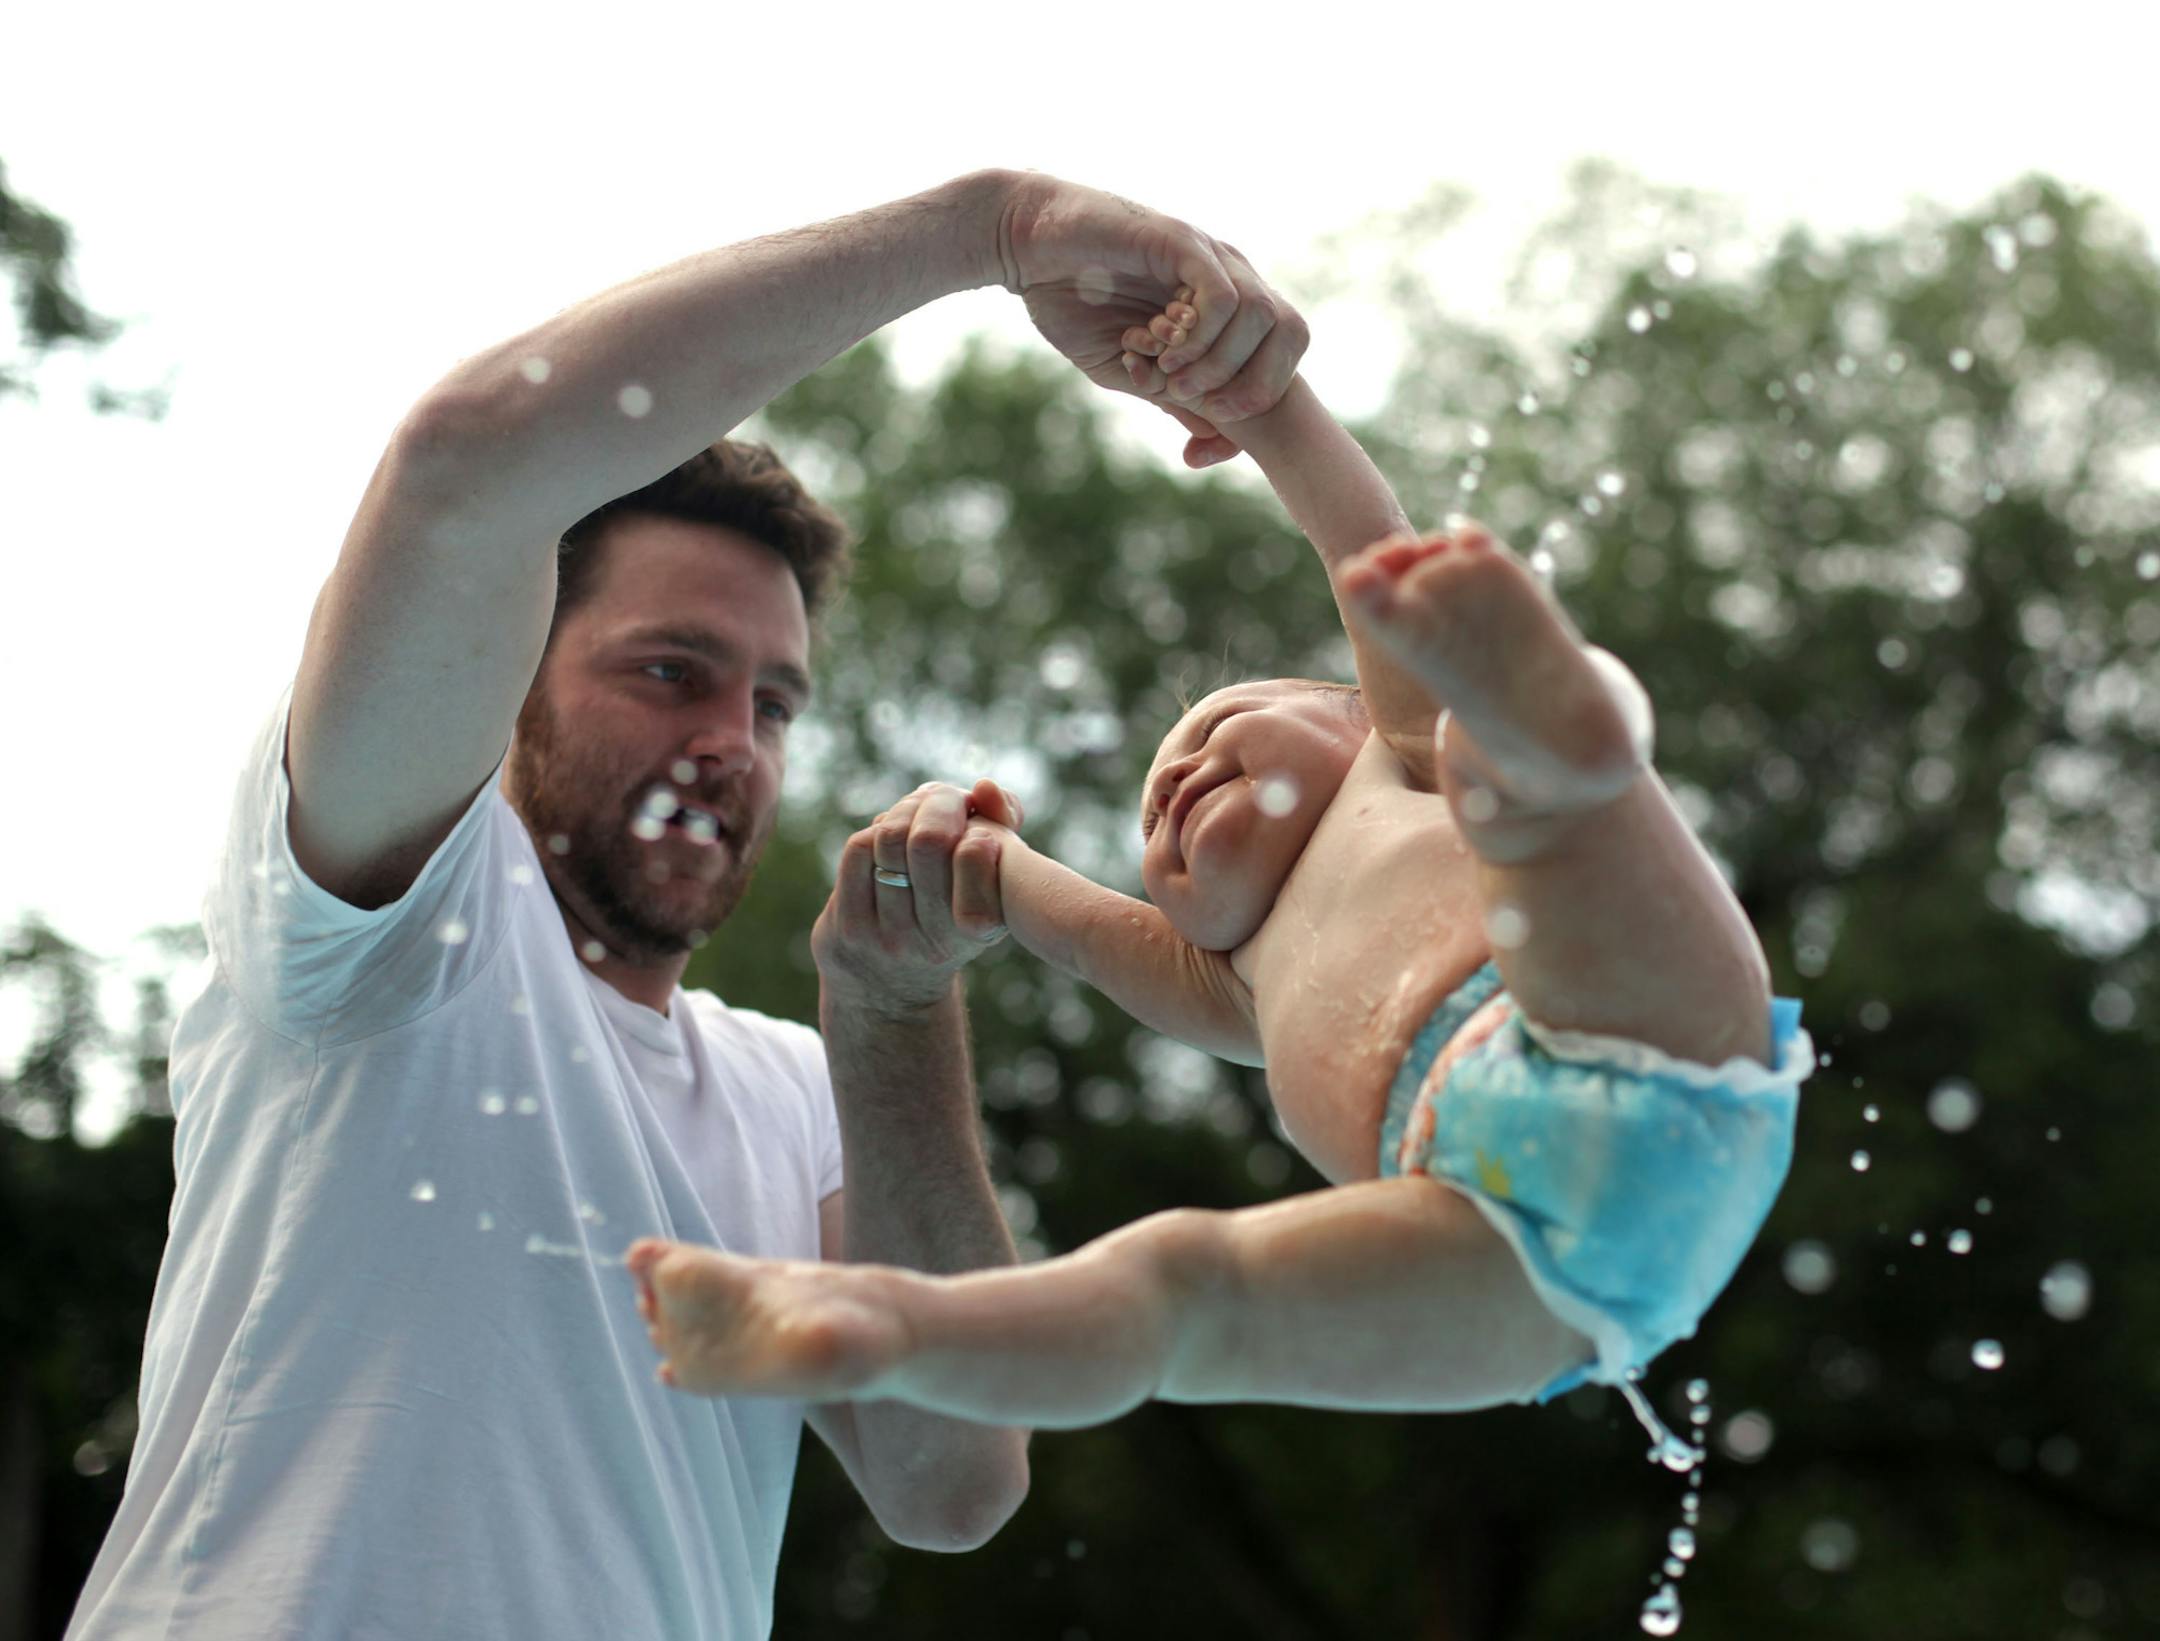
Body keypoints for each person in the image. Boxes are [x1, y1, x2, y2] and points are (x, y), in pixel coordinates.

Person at [66, 178, 1309, 1640]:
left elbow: (953, 1480)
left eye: (772, 701)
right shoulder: (385, 925)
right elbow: (468, 462)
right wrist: (996, 232)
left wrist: (894, 1015)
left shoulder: (796, 1087)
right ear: (509, 680)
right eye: (670, 670)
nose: (733, 736)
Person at [625, 291, 1814, 1430]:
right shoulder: (1226, 980)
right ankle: (884, 1339)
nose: (1174, 787)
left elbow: (1360, 542)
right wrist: (957, 851)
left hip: (1636, 1033)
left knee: (1511, 786)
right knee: (1187, 1293)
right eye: (1155, 829)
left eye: (1207, 731)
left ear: (1347, 709)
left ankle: (1566, 726)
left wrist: (1265, 408)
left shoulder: (1396, 760)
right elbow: (1041, 906)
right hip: (1519, 1270)